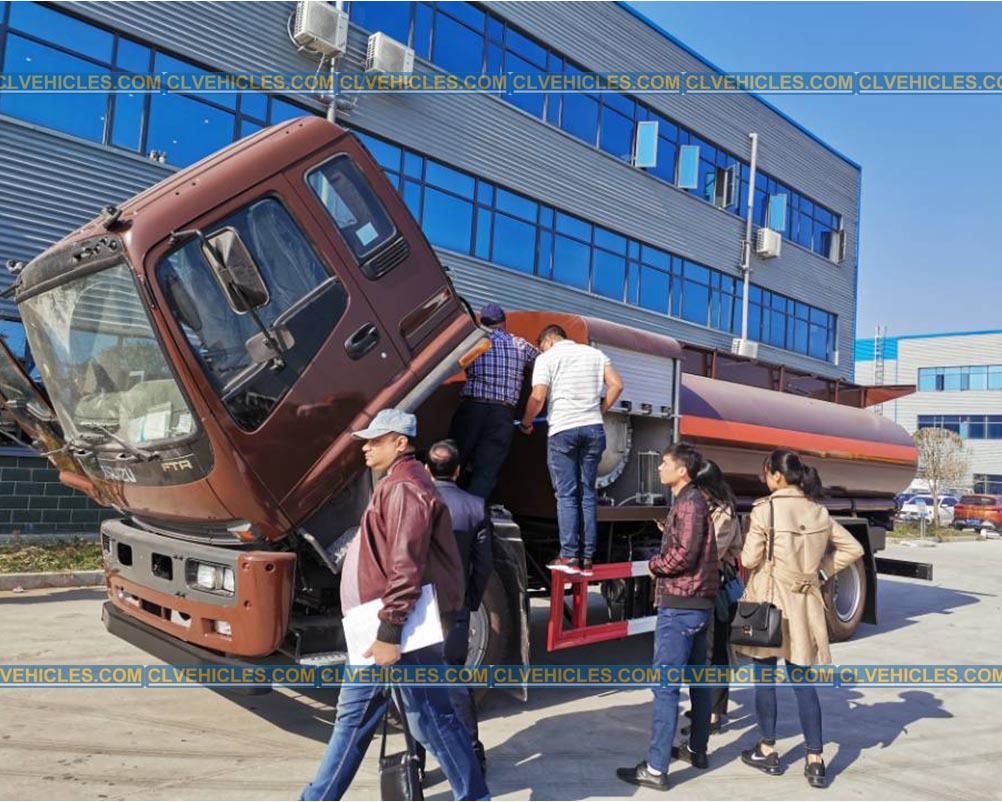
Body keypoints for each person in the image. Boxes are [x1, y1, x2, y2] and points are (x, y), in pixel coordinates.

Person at [301, 409, 489, 801]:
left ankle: (474, 796)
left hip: (397, 631)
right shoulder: (398, 482)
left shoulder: (405, 487)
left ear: (400, 443)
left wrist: (390, 631)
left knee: (430, 720)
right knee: (358, 719)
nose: (365, 447)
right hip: (379, 627)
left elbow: (407, 564)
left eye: (375, 440)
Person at [736, 448, 864, 789]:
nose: (765, 478)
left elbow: (749, 560)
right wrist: (819, 572)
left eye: (766, 473)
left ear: (777, 475)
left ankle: (767, 750)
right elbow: (853, 549)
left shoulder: (766, 509)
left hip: (768, 604)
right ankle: (816, 760)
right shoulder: (818, 511)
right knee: (803, 683)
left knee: (764, 678)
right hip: (805, 605)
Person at [616, 443, 719, 791]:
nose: (659, 468)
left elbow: (685, 554)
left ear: (682, 471)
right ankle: (697, 749)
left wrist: (655, 566)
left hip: (681, 606)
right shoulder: (691, 502)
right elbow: (689, 544)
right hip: (698, 605)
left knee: (665, 689)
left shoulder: (690, 502)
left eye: (665, 463)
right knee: (698, 681)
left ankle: (656, 769)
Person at [519, 324, 623, 576]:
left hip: (563, 430)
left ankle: (568, 555)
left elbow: (538, 396)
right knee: (587, 492)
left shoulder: (547, 358)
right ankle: (587, 556)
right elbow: (617, 385)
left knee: (566, 494)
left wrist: (526, 422)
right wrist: (600, 411)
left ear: (548, 341)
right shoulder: (595, 355)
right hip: (593, 430)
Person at [419, 439, 493, 776]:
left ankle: (415, 761)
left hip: (417, 607)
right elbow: (484, 564)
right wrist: (471, 601)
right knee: (455, 679)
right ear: (459, 471)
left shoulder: (415, 503)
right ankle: (472, 756)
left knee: (415, 684)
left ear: (426, 470)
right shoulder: (475, 507)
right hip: (456, 608)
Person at [450, 304, 539, 500]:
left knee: (452, 461)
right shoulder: (520, 345)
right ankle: (472, 519)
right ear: (504, 324)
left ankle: (445, 512)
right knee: (487, 470)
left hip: (472, 408)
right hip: (502, 414)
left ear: (482, 323)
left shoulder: (475, 342)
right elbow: (543, 361)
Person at [681, 460, 743, 737]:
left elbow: (713, 551)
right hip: (702, 584)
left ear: (709, 486)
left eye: (699, 487)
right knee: (700, 653)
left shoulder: (725, 513)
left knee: (716, 653)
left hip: (717, 587)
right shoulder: (705, 507)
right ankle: (704, 706)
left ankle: (714, 713)